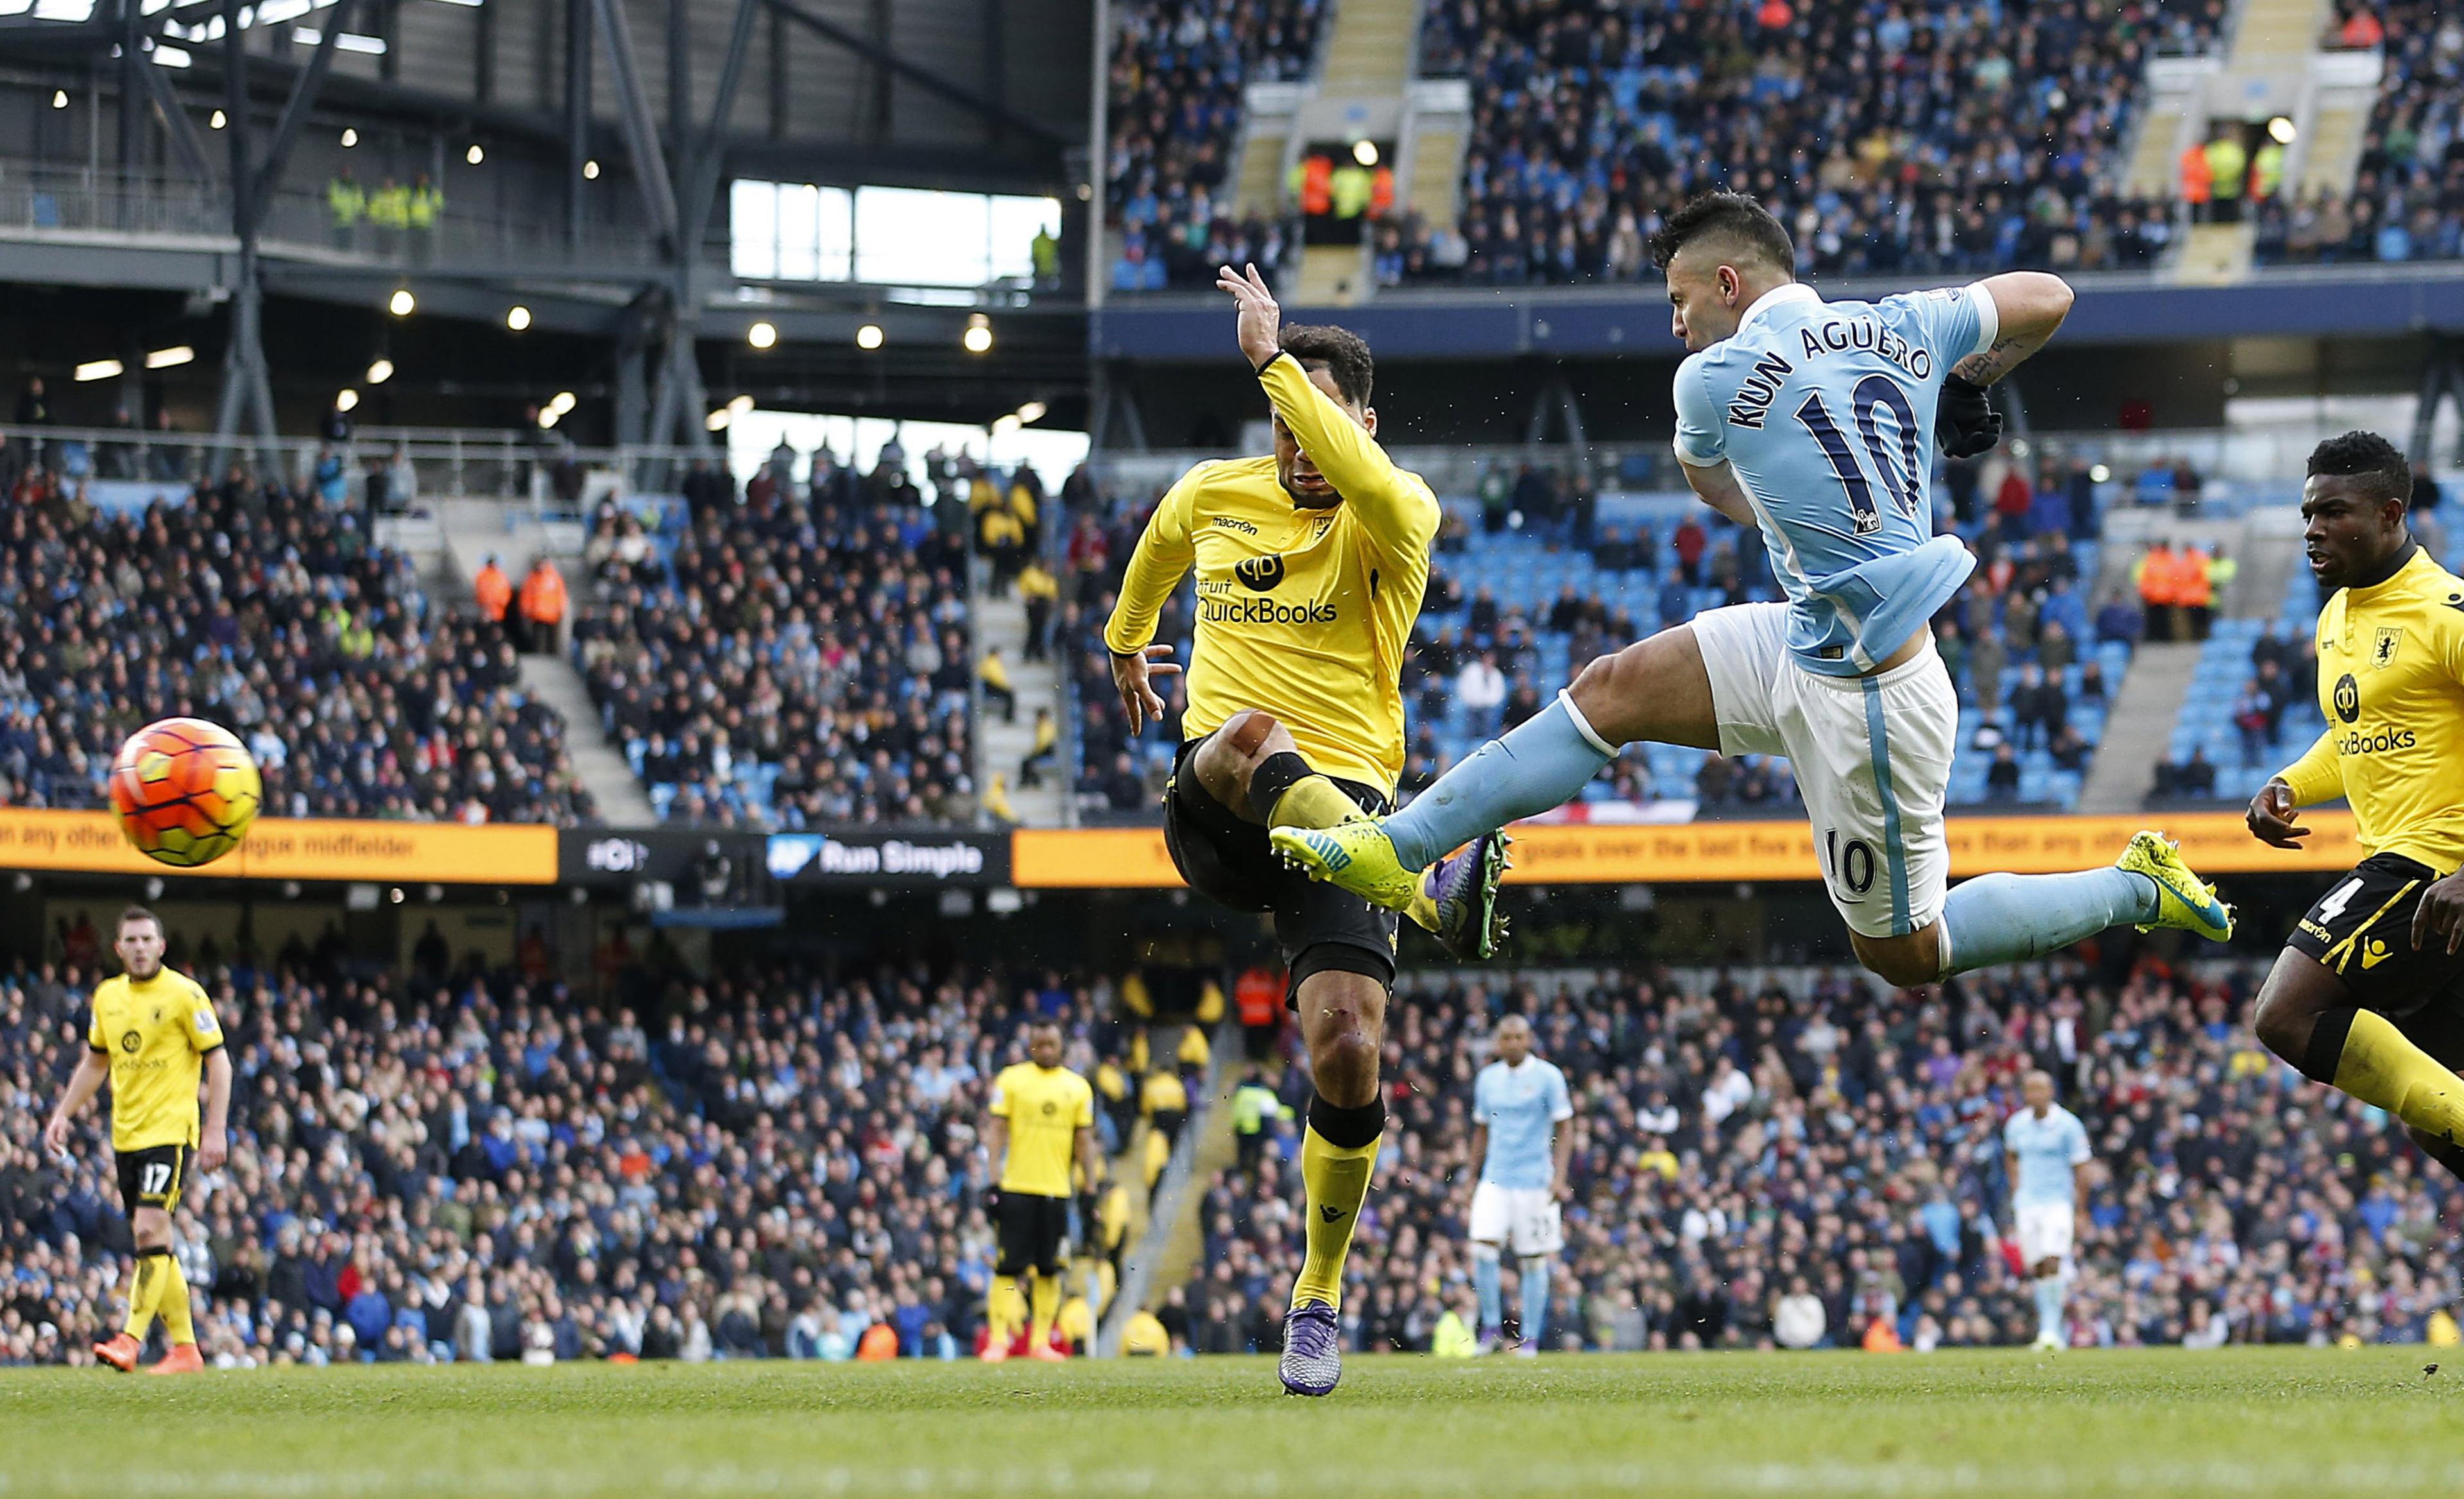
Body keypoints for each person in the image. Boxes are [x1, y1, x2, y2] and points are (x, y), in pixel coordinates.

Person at [1278, 193, 2234, 989]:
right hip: (1808, 637)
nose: (1674, 321)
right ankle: (1400, 844)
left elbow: (1715, 487)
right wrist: (1966, 383)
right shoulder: (1909, 321)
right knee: (1612, 690)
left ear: (1728, 285)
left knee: (1907, 952)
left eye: (1679, 297)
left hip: (1871, 699)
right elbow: (2048, 294)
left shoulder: (1709, 379)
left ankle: (2134, 886)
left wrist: (1801, 501)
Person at [1101, 262, 1498, 1398]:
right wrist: (1127, 642)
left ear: (1357, 424)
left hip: (1347, 808)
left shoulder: (1397, 512)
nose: (1289, 442)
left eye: (1311, 419)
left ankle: (1316, 1295)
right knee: (1246, 734)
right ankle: (1428, 891)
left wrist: (1280, 361)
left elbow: (1368, 484)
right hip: (1222, 801)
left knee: (1350, 1048)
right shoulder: (1215, 492)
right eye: (1277, 421)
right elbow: (1160, 551)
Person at [2246, 431, 2464, 1182]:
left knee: (2284, 1014)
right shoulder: (2337, 615)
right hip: (2417, 881)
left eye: (2334, 512)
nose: (2313, 529)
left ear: (2391, 513)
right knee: (2437, 1119)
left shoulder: (2447, 614)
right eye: (2308, 512)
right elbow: (2353, 735)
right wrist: (2290, 786)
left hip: (2434, 865)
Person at [41, 907, 230, 1375]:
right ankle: (186, 1349)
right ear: (119, 948)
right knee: (155, 1242)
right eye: (132, 940)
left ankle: (131, 1339)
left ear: (162, 947)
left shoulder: (186, 995)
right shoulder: (107, 997)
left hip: (171, 1132)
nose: (141, 947)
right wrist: (63, 1114)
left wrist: (215, 1129)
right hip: (126, 1135)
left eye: (149, 939)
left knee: (148, 1228)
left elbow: (219, 1063)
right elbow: (95, 1063)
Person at [980, 1021, 1096, 1363]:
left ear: (1062, 1047)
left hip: (1056, 1192)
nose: (1046, 1050)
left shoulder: (1078, 1088)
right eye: (1040, 1044)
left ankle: (1041, 1343)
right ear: (1031, 1046)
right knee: (1007, 1266)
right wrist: (993, 1180)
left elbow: (1084, 1141)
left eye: (1052, 1044)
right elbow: (996, 1132)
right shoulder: (1012, 1081)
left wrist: (1089, 1187)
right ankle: (998, 1341)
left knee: (1049, 1268)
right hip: (1016, 1188)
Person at [1467, 1015, 1573, 1357]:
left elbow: (1565, 1127)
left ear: (1528, 1040)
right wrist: (1471, 1176)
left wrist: (1559, 1177)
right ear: (1498, 1042)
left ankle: (1529, 1339)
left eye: (1518, 1037)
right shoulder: (1488, 1079)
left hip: (1535, 1182)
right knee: (1482, 1248)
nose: (1512, 1043)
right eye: (1506, 1038)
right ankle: (1491, 1330)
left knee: (1533, 1260)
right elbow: (1481, 1129)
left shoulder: (1548, 1076)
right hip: (1495, 1177)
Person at [2003, 1069, 2091, 1351]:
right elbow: (2011, 1157)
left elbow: (2081, 1168)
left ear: (2051, 1092)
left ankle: (2051, 1329)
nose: (2035, 1095)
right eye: (2030, 1089)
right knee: (2039, 1266)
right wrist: (2016, 1189)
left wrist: (2081, 1209)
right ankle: (2049, 1328)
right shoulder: (2016, 1124)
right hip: (2028, 1204)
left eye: (2041, 1089)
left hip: (2058, 1202)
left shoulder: (2068, 1125)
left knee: (2053, 1260)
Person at [517, 556, 567, 655]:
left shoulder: (554, 578)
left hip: (552, 614)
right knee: (538, 637)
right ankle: (539, 654)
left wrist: (561, 608)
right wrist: (526, 609)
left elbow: (561, 594)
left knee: (552, 637)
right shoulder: (532, 578)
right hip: (537, 613)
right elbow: (526, 595)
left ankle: (552, 654)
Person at [474, 555, 513, 631]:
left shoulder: (501, 576)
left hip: (498, 611)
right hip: (485, 611)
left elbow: (506, 592)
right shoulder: (482, 575)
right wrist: (483, 604)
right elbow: (479, 591)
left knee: (496, 630)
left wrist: (501, 602)